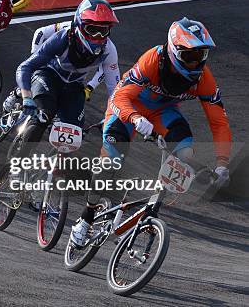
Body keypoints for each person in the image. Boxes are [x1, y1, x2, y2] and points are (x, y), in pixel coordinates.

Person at [70, 18, 232, 247]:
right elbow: (119, 97)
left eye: (201, 56)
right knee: (111, 162)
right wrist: (134, 117)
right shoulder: (153, 60)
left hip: (162, 114)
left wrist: (222, 163)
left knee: (184, 155)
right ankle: (85, 219)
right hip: (128, 108)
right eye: (190, 56)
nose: (197, 63)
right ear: (175, 51)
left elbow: (219, 123)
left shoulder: (204, 78)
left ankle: (152, 208)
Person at [14, 0, 120, 147]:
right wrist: (26, 96)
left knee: (75, 136)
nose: (98, 37)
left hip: (74, 86)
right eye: (93, 30)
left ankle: (56, 169)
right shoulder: (62, 37)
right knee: (43, 117)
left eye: (103, 31)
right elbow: (25, 67)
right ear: (80, 25)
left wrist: (112, 116)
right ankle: (18, 162)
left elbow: (115, 91)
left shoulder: (109, 50)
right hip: (49, 76)